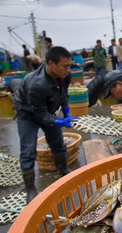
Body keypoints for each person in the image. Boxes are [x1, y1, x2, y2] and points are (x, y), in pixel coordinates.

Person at [12, 46, 77, 204]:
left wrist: (67, 112)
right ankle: (30, 189)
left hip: (47, 110)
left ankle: (62, 169)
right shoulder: (37, 84)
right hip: (27, 113)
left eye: (70, 65)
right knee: (28, 150)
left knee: (58, 143)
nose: (69, 70)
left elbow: (64, 96)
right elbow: (39, 114)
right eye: (65, 66)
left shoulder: (64, 76)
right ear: (51, 64)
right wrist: (59, 121)